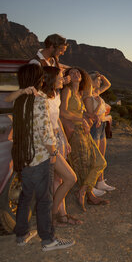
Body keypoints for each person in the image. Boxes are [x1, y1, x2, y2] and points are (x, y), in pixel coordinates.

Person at [11, 63, 75, 251]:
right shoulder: (39, 101)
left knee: (25, 197)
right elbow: (46, 133)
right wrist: (54, 153)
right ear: (37, 79)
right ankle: (48, 240)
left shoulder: (20, 100)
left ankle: (21, 235)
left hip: (25, 156)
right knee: (45, 200)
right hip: (40, 157)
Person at [60, 67, 108, 211]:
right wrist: (82, 118)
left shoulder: (79, 93)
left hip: (83, 130)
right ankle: (90, 196)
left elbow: (79, 112)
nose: (76, 74)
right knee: (83, 164)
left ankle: (82, 191)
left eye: (78, 72)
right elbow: (63, 112)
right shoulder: (67, 91)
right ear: (67, 77)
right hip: (75, 132)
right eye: (72, 73)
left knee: (100, 162)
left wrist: (91, 116)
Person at [41, 66, 82, 226]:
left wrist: (64, 139)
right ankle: (51, 216)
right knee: (69, 178)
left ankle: (62, 215)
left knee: (59, 179)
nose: (64, 79)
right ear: (52, 79)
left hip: (58, 137)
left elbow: (57, 118)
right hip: (48, 141)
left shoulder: (55, 94)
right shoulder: (43, 98)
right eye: (61, 76)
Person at [86, 72, 115, 196]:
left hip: (102, 126)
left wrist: (102, 76)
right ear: (91, 81)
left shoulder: (97, 93)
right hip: (94, 128)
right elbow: (92, 113)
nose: (100, 82)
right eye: (98, 80)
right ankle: (90, 185)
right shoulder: (88, 96)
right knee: (94, 158)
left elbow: (108, 84)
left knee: (102, 157)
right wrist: (98, 104)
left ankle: (100, 181)